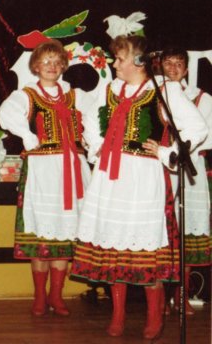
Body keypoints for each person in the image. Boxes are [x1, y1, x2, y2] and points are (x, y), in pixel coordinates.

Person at [70, 34, 208, 339]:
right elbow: (89, 121)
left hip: (143, 176)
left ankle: (154, 316)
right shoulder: (111, 89)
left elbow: (197, 127)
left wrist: (167, 152)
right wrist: (98, 146)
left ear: (139, 62)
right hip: (110, 176)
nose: (115, 64)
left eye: (120, 59)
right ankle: (118, 315)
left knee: (147, 245)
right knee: (114, 244)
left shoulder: (164, 89)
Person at [0, 39, 91, 317]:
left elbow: (95, 122)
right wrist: (27, 136)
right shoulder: (26, 95)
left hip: (72, 169)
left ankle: (56, 295)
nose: (52, 66)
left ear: (63, 66)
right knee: (42, 233)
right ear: (36, 66)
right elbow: (5, 114)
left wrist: (93, 146)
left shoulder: (76, 95)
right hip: (42, 170)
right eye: (46, 61)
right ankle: (39, 295)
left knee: (64, 233)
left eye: (57, 61)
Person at [159, 48, 212, 315]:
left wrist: (180, 152)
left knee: (187, 232)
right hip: (158, 166)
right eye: (168, 63)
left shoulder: (203, 98)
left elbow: (206, 136)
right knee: (161, 229)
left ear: (187, 69)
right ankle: (159, 295)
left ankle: (181, 295)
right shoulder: (153, 94)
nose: (173, 68)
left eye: (178, 63)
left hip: (191, 170)